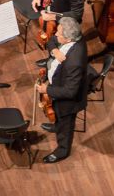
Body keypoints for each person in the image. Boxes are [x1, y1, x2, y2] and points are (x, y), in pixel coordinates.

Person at [37, 18, 88, 164]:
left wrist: (47, 89)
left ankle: (62, 151)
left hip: (68, 101)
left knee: (66, 126)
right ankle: (56, 126)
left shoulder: (74, 62)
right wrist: (54, 50)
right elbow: (52, 40)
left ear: (68, 39)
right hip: (60, 82)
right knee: (58, 118)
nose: (55, 36)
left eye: (59, 34)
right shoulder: (73, 35)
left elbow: (70, 92)